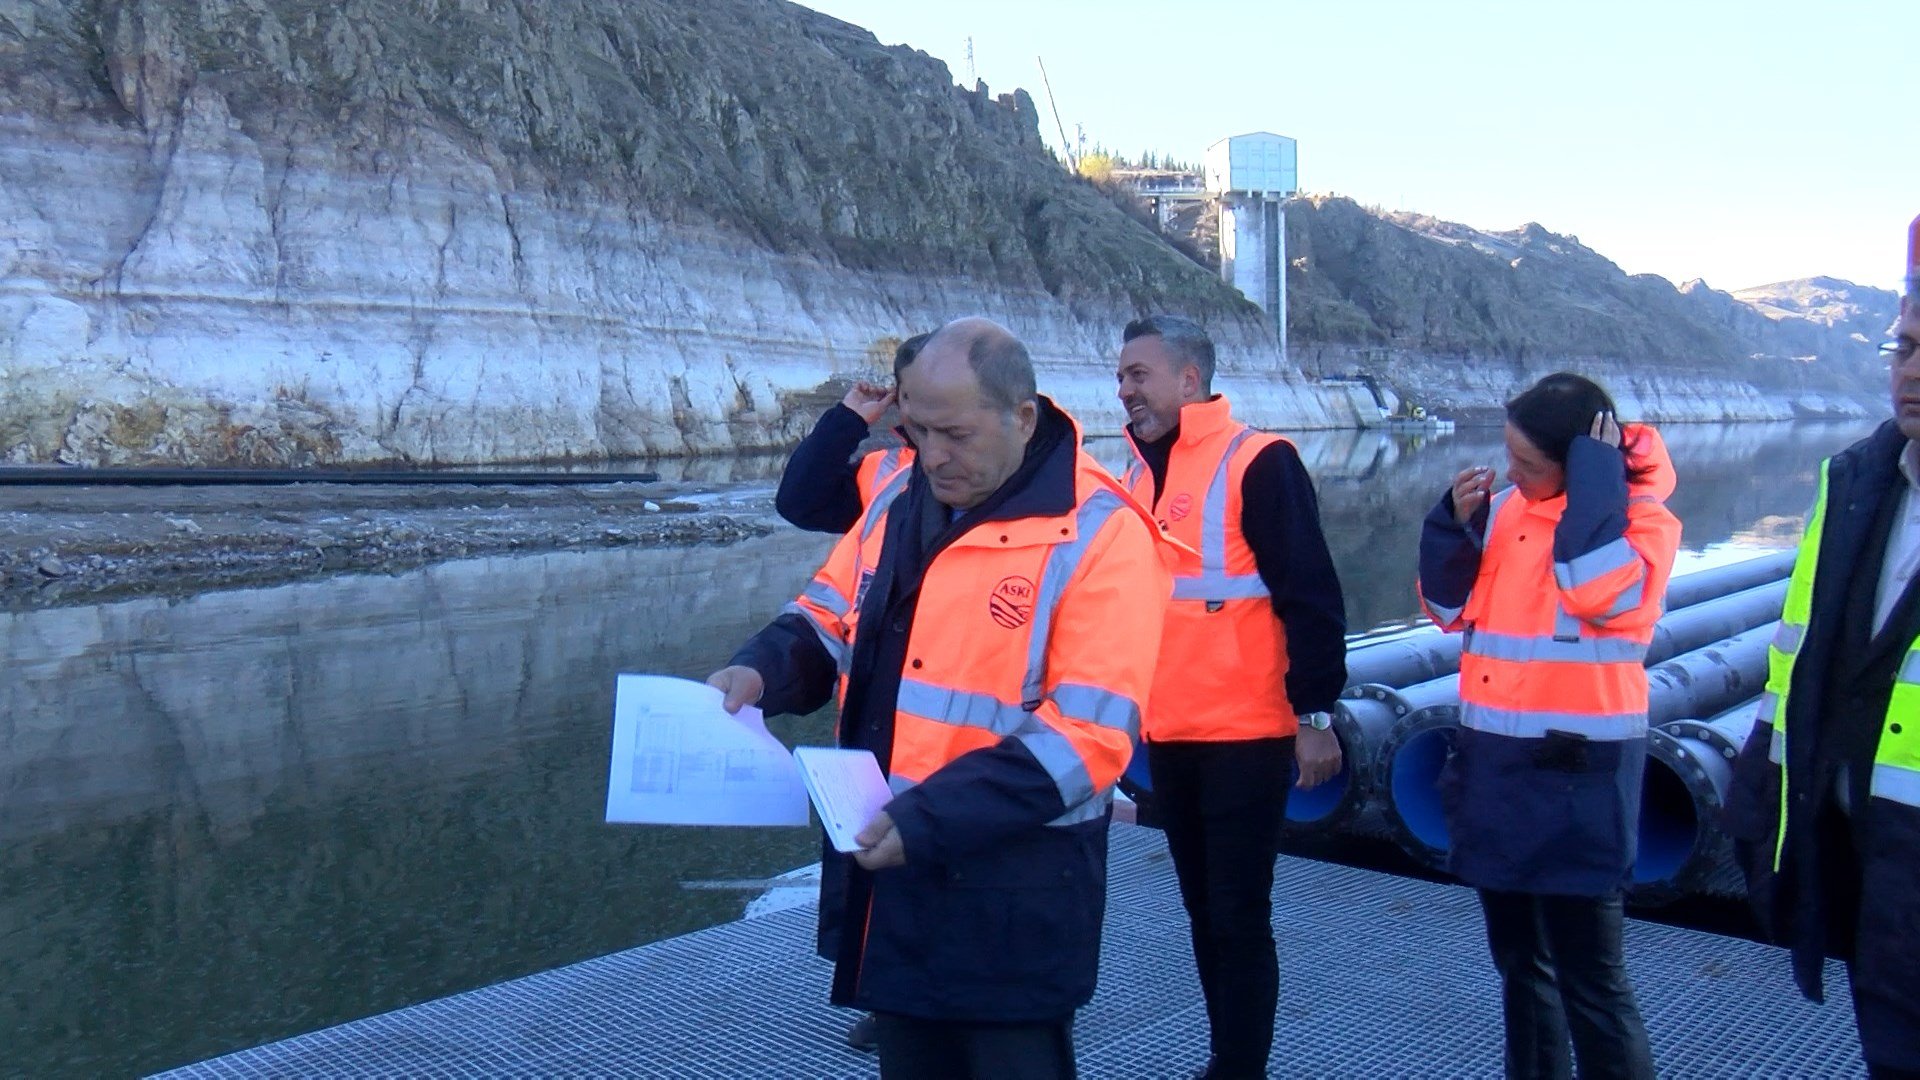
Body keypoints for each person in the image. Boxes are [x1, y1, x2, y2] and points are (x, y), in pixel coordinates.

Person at [707, 317, 1170, 1080]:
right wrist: (762, 669)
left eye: (954, 433)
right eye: (916, 429)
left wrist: (926, 819)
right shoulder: (897, 493)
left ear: (1023, 418)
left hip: (1012, 887)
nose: (932, 454)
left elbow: (1089, 737)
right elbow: (826, 615)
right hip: (893, 865)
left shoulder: (1102, 533)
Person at [1417, 372, 1680, 1080]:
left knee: (1592, 983)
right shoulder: (1507, 512)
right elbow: (1447, 611)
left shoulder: (1643, 521)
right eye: (1509, 457)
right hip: (1497, 772)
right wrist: (1450, 525)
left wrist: (1596, 493)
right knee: (1520, 971)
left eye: (1528, 464)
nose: (1510, 473)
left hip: (1578, 784)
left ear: (1583, 464)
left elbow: (1598, 589)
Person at [1113, 315, 1348, 1080]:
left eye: (1139, 375)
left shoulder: (1260, 461)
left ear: (1189, 379)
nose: (1125, 389)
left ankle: (1240, 1069)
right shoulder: (1137, 473)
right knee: (1203, 913)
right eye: (1121, 376)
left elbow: (1310, 594)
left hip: (1247, 734)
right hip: (1167, 732)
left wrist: (1314, 717)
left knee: (1239, 915)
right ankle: (1228, 1058)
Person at [1724, 220, 1920, 1079]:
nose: (1911, 372)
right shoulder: (1855, 486)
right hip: (1874, 864)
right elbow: (1799, 661)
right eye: (1905, 346)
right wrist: (1761, 781)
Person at [771, 331, 929, 1053]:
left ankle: (927, 1006)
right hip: (868, 713)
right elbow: (800, 499)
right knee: (868, 863)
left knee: (928, 862)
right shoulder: (888, 471)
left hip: (943, 719)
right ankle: (886, 1001)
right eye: (909, 394)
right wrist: (848, 418)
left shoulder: (1008, 485)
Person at [774, 333, 929, 534]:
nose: (930, 408)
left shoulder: (981, 470)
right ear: (896, 399)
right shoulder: (881, 470)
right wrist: (849, 418)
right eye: (912, 395)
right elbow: (798, 504)